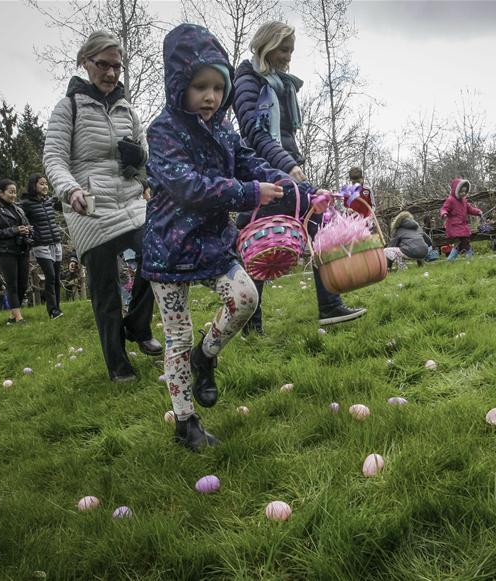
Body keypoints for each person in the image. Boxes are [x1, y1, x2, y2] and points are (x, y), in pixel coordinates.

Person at [142, 23, 329, 451]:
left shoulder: (224, 129)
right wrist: (246, 193)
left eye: (217, 87)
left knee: (245, 297)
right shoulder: (163, 131)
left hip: (212, 241)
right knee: (176, 334)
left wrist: (296, 186)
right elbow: (189, 186)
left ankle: (205, 357)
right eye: (199, 87)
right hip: (169, 248)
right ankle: (185, 422)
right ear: (179, 86)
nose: (210, 96)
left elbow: (249, 162)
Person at [43, 30, 162, 382]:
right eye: (103, 65)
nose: (111, 73)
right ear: (86, 63)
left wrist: (140, 159)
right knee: (105, 290)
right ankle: (118, 365)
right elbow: (53, 157)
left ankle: (138, 327)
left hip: (129, 201)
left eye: (117, 67)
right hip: (89, 207)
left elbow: (146, 163)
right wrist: (69, 189)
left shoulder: (128, 110)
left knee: (156, 258)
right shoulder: (69, 108)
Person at [234, 20, 366, 330]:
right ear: (266, 46)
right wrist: (288, 166)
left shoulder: (280, 83)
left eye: (291, 50)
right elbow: (254, 133)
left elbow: (282, 132)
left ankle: (324, 307)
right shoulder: (247, 82)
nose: (288, 56)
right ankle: (254, 323)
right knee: (261, 241)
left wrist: (292, 161)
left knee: (313, 224)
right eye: (283, 49)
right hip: (264, 171)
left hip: (285, 165)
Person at [0, 179, 33, 325]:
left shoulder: (18, 209)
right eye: (10, 192)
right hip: (5, 252)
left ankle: (12, 317)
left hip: (22, 250)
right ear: (1, 193)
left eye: (15, 192)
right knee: (12, 284)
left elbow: (25, 224)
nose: (14, 195)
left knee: (23, 284)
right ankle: (19, 317)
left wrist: (27, 229)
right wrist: (15, 230)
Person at [20, 174, 64, 319]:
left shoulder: (49, 201)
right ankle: (52, 310)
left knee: (57, 278)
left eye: (46, 184)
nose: (45, 186)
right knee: (50, 276)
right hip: (41, 245)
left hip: (55, 242)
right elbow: (19, 220)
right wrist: (30, 237)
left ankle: (58, 308)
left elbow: (66, 206)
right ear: (34, 186)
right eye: (42, 184)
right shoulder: (26, 204)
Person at [440, 178, 482, 260]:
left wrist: (478, 212)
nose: (463, 193)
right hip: (454, 226)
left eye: (465, 191)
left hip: (462, 226)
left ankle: (450, 259)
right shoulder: (451, 200)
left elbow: (470, 209)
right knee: (465, 242)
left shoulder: (464, 201)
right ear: (456, 190)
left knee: (460, 244)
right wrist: (444, 214)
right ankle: (470, 258)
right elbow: (444, 208)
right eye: (461, 191)